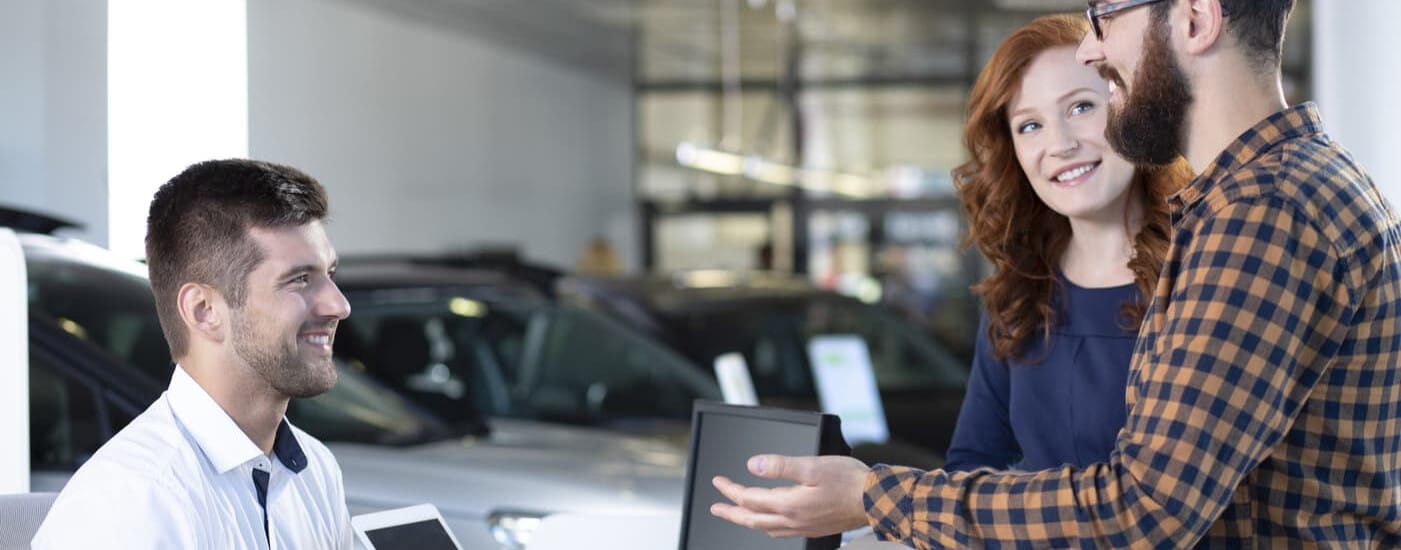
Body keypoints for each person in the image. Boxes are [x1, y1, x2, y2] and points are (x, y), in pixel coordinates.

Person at [710, 0, 1401, 546]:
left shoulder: (1260, 215)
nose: (1096, 46)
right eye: (1029, 125)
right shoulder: (1265, 197)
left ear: (1195, 17)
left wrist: (869, 497)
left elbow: (1143, 512)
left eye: (1106, 15)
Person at [33, 159, 355, 548]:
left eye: (330, 274)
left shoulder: (315, 470)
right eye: (300, 279)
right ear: (204, 311)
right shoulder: (132, 502)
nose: (338, 305)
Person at [942, 14, 1188, 474]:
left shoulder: (1202, 272)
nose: (1060, 144)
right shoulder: (1015, 296)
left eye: (1080, 108)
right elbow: (971, 468)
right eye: (1029, 126)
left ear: (1131, 107)